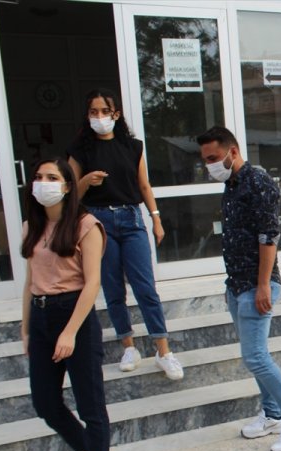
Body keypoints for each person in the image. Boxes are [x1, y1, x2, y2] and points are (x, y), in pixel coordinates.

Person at [196, 126, 281, 451]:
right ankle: (272, 414)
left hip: (256, 285)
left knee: (256, 357)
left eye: (213, 157)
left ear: (233, 152)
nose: (209, 165)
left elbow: (269, 236)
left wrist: (263, 285)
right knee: (255, 356)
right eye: (205, 160)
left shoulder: (258, 182)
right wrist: (232, 287)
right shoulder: (231, 185)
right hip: (236, 285)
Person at [67, 88, 183, 381]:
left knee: (145, 287)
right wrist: (85, 181)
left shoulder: (132, 146)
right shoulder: (80, 150)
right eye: (93, 112)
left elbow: (143, 185)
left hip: (131, 218)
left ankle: (163, 350)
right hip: (98, 222)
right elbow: (69, 193)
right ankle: (128, 346)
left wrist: (156, 218)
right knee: (113, 288)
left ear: (116, 114)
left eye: (105, 111)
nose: (99, 117)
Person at [20, 158, 111, 451]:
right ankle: (87, 450)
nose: (43, 182)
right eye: (38, 177)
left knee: (90, 403)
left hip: (75, 315)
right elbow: (29, 282)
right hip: (41, 316)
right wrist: (26, 329)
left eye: (52, 177)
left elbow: (92, 283)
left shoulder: (86, 225)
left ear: (68, 185)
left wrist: (70, 332)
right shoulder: (31, 227)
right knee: (45, 402)